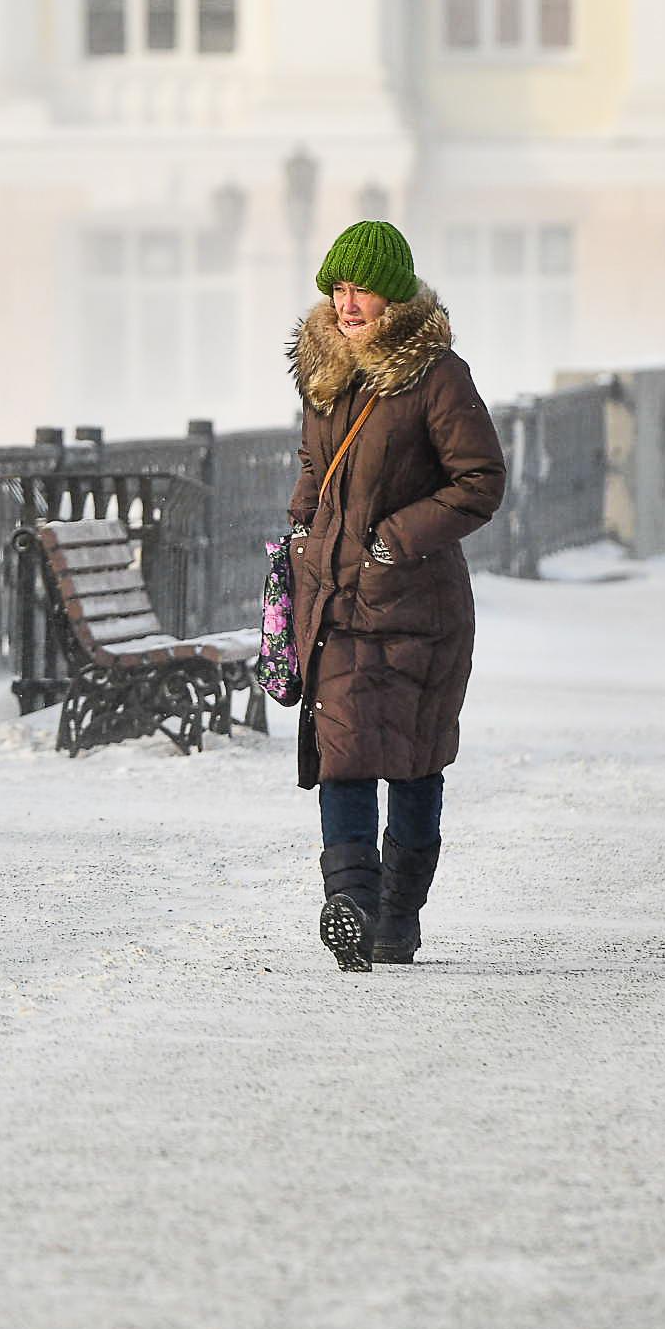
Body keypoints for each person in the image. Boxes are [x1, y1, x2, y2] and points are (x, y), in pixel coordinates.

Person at [285, 222, 507, 971]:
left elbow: (479, 483)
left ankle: (398, 915)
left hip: (418, 611)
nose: (348, 304)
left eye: (362, 289)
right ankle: (347, 899)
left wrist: (392, 540)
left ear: (395, 294)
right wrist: (300, 535)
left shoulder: (438, 377)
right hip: (337, 607)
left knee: (412, 763)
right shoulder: (326, 374)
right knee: (342, 754)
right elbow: (316, 473)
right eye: (338, 289)